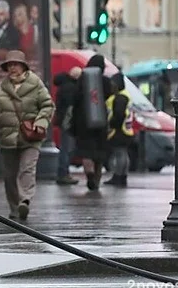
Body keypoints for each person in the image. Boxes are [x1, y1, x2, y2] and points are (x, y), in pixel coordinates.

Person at [0, 50, 54, 220]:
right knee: (9, 175)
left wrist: (40, 123)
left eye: (16, 64)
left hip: (30, 137)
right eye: (9, 65)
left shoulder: (36, 84)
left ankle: (25, 200)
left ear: (23, 66)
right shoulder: (1, 88)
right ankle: (14, 207)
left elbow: (48, 106)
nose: (12, 68)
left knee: (27, 169)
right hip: (7, 138)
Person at [70, 54, 113, 191]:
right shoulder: (105, 81)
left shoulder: (82, 79)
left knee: (86, 151)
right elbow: (109, 93)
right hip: (100, 120)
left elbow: (75, 98)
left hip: (83, 121)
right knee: (99, 153)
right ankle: (97, 179)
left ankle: (89, 174)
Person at [104, 73, 134, 187]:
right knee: (124, 154)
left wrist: (112, 124)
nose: (111, 86)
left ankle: (118, 176)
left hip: (119, 130)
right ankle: (122, 176)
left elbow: (118, 114)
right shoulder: (125, 96)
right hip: (127, 129)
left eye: (113, 84)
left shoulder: (120, 98)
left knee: (119, 153)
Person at [53, 66, 82, 185]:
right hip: (68, 122)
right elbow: (71, 107)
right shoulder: (70, 88)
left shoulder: (64, 85)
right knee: (67, 148)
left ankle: (63, 173)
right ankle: (63, 173)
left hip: (64, 120)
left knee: (66, 147)